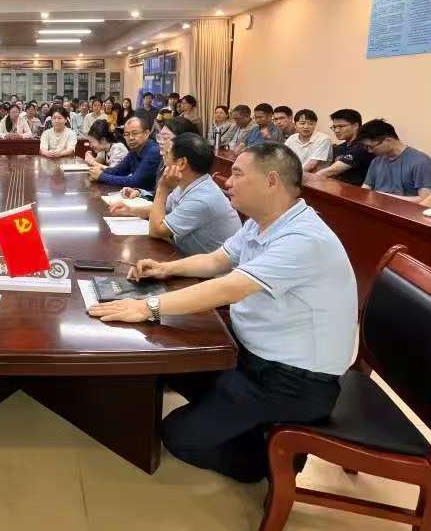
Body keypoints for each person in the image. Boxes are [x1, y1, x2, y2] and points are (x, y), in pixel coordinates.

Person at [89, 143, 356, 484]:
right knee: (167, 364)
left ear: (271, 181)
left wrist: (146, 307)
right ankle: (236, 415)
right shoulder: (263, 222)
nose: (228, 182)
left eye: (238, 174)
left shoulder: (303, 239)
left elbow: (229, 287)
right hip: (250, 354)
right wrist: (165, 269)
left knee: (178, 435)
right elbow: (217, 260)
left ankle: (271, 458)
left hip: (289, 380)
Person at [139, 133, 241, 255]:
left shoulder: (202, 199)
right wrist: (130, 210)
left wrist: (162, 189)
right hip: (188, 256)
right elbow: (163, 208)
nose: (163, 158)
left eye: (167, 154)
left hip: (211, 266)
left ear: (182, 163)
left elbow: (156, 231)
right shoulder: (190, 183)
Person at [357, 119, 431, 200]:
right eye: (366, 147)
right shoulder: (376, 161)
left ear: (387, 140)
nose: (369, 151)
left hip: (403, 207)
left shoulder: (421, 162)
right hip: (377, 204)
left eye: (371, 147)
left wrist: (383, 197)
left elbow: (424, 200)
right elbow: (366, 188)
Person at [88, 116, 160, 191]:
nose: (131, 138)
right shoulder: (134, 150)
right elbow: (117, 171)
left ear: (146, 133)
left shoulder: (153, 151)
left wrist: (101, 176)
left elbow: (135, 181)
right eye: (127, 134)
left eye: (135, 133)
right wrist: (95, 172)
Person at [313, 109, 374, 187]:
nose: (336, 130)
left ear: (355, 126)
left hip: (358, 190)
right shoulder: (340, 147)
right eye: (334, 127)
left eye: (341, 126)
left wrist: (311, 179)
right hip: (338, 188)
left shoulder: (363, 146)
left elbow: (333, 170)